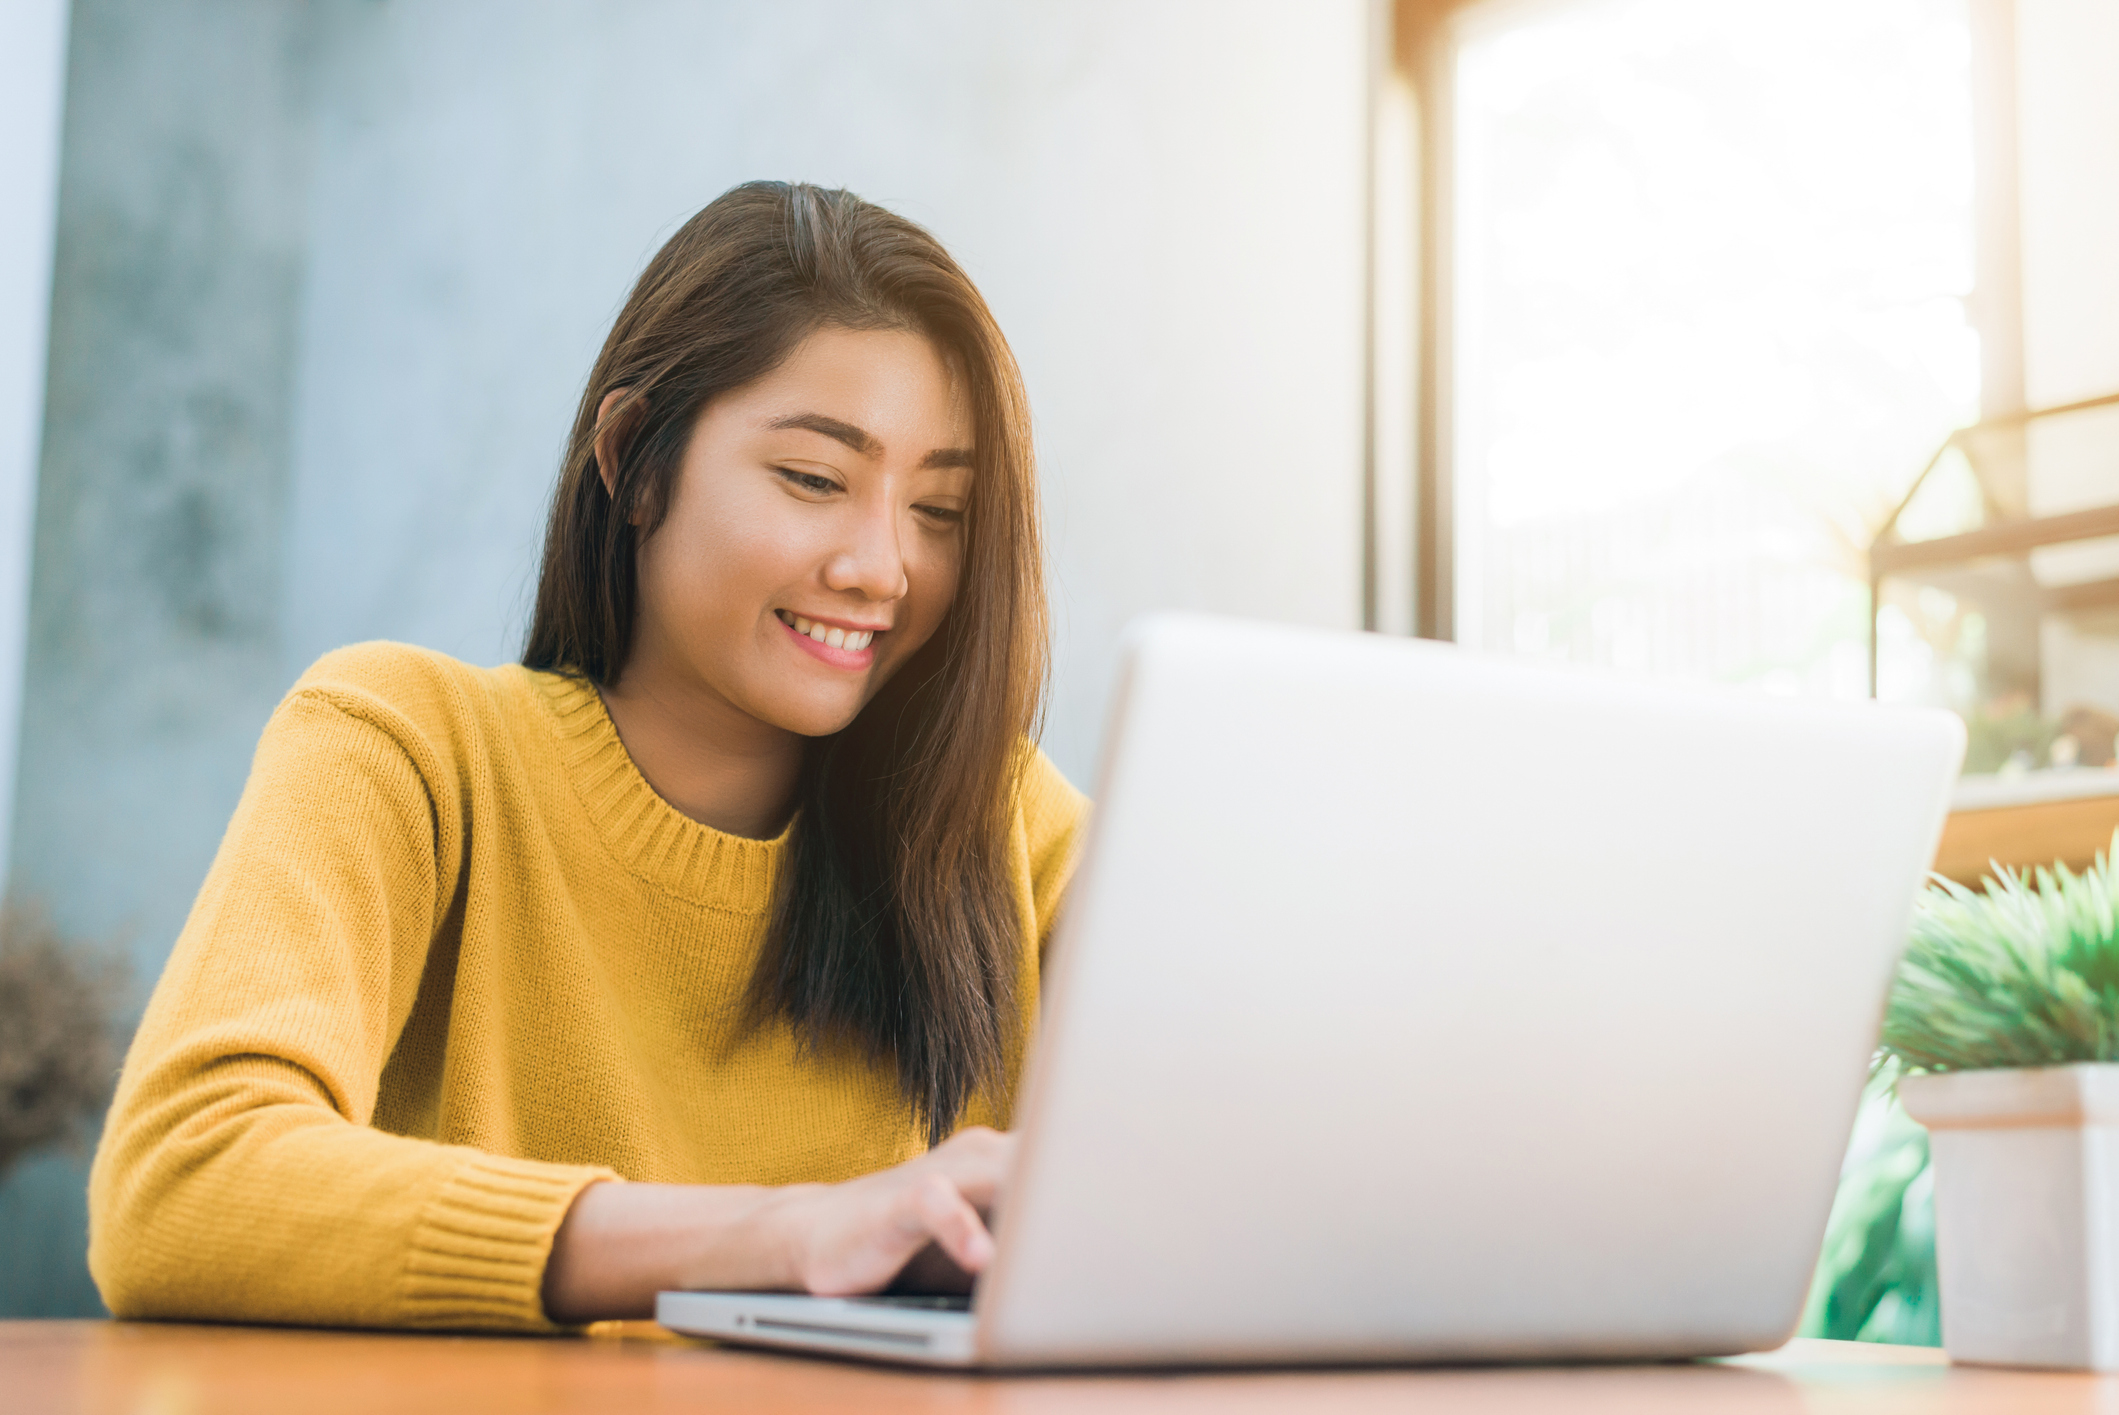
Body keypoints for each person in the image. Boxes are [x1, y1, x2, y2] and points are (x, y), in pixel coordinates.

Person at [87, 182, 1088, 1330]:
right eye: (815, 479)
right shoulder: (408, 746)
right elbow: (183, 1180)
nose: (881, 566)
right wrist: (783, 1236)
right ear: (633, 458)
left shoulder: (1014, 829)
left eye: (940, 511)